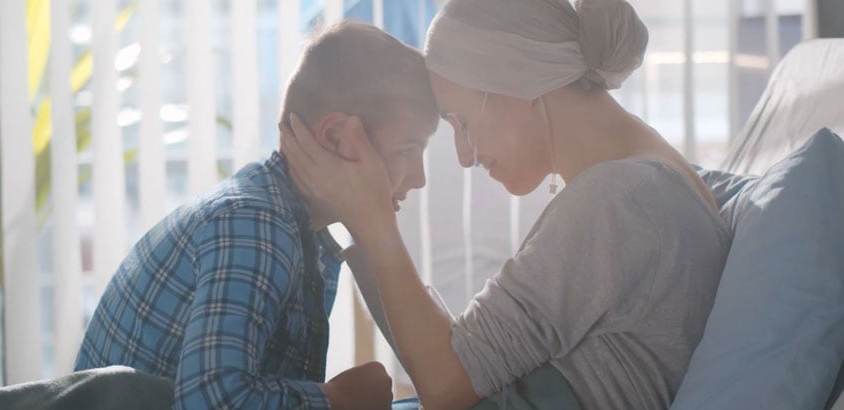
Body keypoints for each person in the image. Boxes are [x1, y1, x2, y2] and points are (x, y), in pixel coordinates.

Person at [278, 0, 732, 409]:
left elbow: (446, 384)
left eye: (461, 120)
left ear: (517, 83)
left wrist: (374, 222)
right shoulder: (644, 180)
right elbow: (476, 357)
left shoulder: (620, 202)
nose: (464, 154)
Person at [75, 21, 439, 410]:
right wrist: (336, 399)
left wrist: (372, 228)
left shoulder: (299, 228)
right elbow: (209, 404)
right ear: (335, 138)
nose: (419, 178)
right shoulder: (255, 226)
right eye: (407, 149)